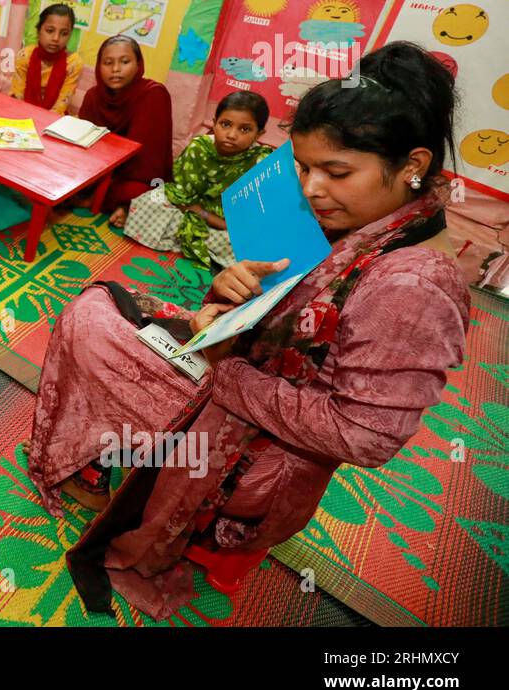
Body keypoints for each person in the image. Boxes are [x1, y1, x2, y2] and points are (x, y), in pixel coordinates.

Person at [29, 41, 469, 620]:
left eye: (335, 172)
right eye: (304, 168)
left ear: (411, 166)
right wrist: (228, 295)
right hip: (242, 382)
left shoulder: (414, 287)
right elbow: (292, 313)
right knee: (105, 305)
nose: (311, 189)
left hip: (251, 449)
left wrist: (227, 370)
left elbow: (366, 434)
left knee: (92, 321)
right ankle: (102, 460)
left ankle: (100, 467)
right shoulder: (373, 222)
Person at [123, 91, 272, 267]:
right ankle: (199, 244)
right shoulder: (198, 148)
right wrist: (201, 214)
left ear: (259, 134)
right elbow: (182, 198)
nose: (232, 135)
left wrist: (217, 220)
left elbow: (255, 213)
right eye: (225, 124)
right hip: (190, 209)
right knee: (149, 202)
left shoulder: (261, 162)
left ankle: (185, 240)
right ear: (214, 123)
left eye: (244, 129)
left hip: (229, 224)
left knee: (254, 242)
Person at [78, 34, 173, 228]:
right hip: (97, 171)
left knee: (143, 192)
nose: (115, 69)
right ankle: (117, 205)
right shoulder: (93, 96)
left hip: (134, 176)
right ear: (98, 66)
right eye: (108, 62)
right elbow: (83, 145)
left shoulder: (153, 94)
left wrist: (108, 181)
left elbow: (148, 161)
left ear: (138, 64)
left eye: (125, 61)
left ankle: (120, 203)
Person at [11, 4, 83, 114]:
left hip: (53, 120)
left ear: (70, 35)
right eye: (50, 31)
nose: (56, 38)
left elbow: (61, 105)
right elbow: (18, 95)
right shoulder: (25, 55)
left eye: (64, 33)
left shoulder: (73, 63)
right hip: (22, 113)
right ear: (38, 31)